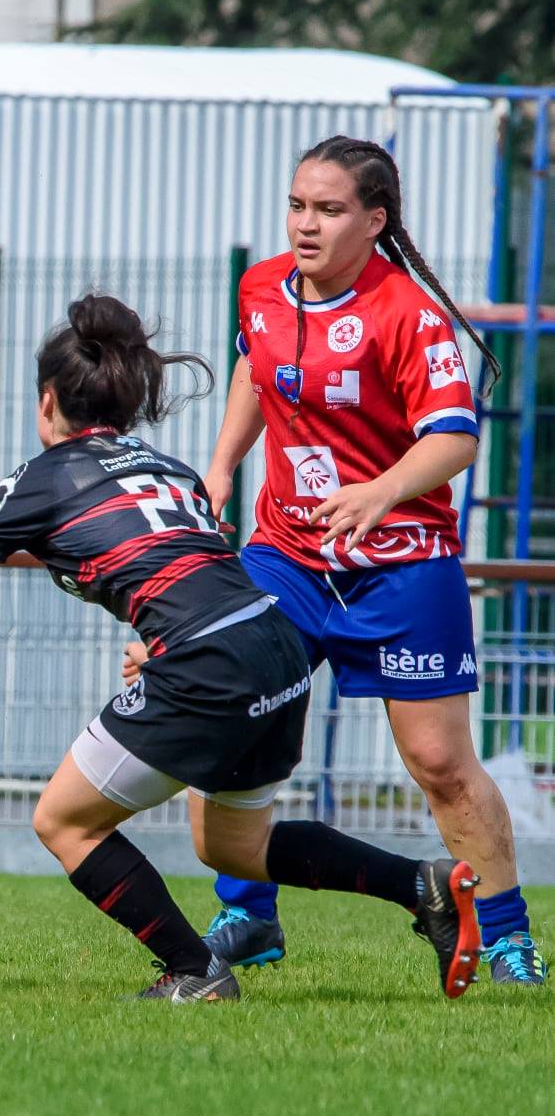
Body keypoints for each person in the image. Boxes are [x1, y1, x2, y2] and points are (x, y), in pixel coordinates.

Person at [0, 295, 484, 1003]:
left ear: (46, 403)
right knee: (234, 846)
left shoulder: (37, 483)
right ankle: (420, 884)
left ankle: (195, 969)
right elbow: (181, 569)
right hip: (276, 647)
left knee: (62, 820)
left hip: (210, 660)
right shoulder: (172, 470)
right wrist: (159, 646)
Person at [194, 136, 543, 987]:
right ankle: (249, 910)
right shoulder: (263, 287)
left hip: (402, 564)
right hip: (286, 553)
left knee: (439, 764)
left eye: (329, 209)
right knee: (227, 705)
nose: (305, 224)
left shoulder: (407, 312)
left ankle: (505, 935)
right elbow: (254, 363)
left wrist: (379, 492)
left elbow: (455, 437)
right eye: (297, 204)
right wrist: (224, 463)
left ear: (374, 220)